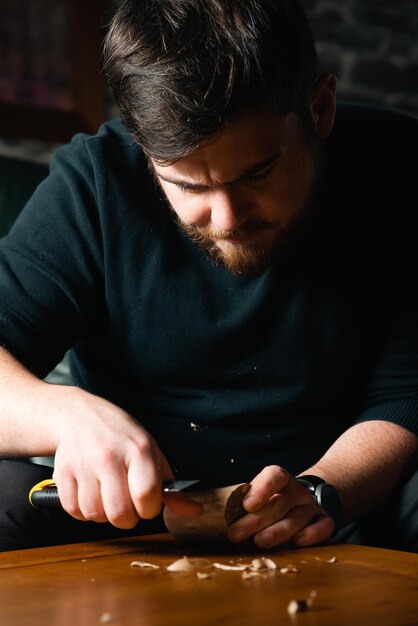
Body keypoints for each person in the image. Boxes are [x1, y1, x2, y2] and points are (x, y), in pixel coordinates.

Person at [0, 0, 417, 553]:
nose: (227, 219)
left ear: (319, 108)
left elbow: (403, 396)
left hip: (332, 508)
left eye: (259, 174)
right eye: (190, 187)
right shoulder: (96, 181)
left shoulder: (398, 168)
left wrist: (322, 490)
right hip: (128, 520)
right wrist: (68, 414)